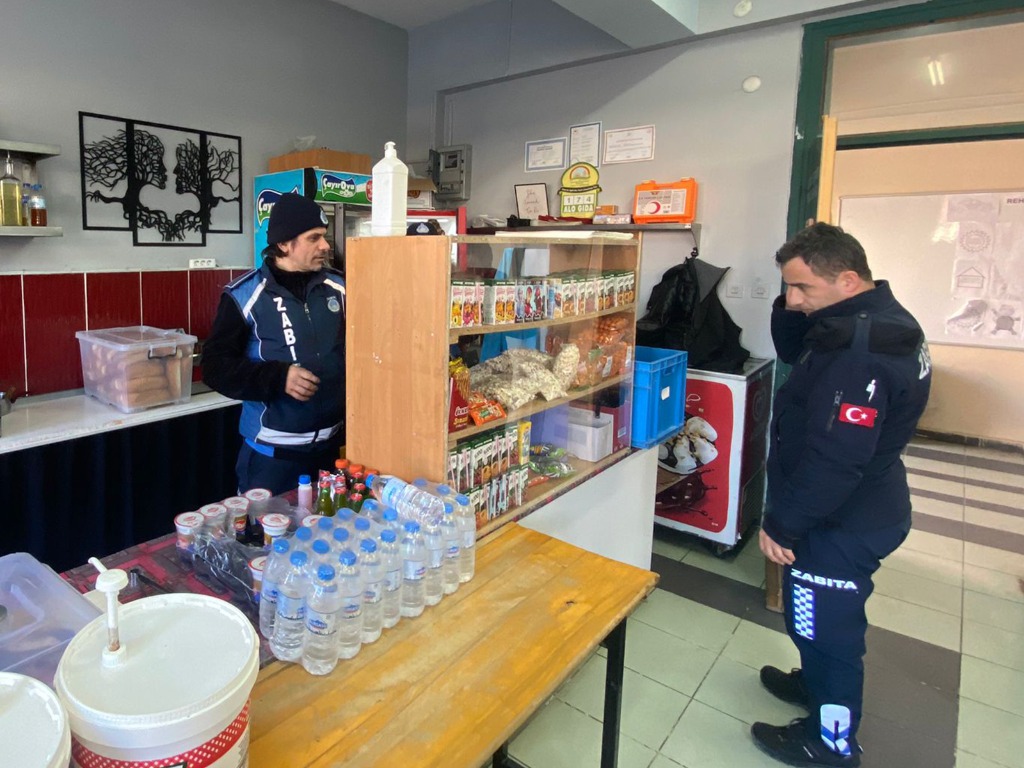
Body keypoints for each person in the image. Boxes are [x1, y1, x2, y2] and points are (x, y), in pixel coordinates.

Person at [752, 223, 932, 767]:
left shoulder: (861, 351)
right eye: (788, 287)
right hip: (853, 506)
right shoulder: (868, 317)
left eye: (802, 289)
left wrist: (783, 525)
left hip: (841, 518)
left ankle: (830, 742)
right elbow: (792, 346)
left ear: (848, 279)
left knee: (825, 630)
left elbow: (838, 459)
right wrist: (795, 297)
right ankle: (813, 684)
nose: (793, 299)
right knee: (813, 620)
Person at [203, 193, 346, 495]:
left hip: (333, 454)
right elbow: (215, 368)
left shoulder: (341, 288)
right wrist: (279, 377)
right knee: (267, 541)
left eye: (325, 236)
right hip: (272, 459)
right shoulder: (244, 296)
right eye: (314, 238)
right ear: (284, 244)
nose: (325, 246)